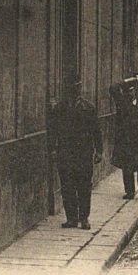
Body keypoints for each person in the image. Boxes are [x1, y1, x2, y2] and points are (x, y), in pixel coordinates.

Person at [48, 75, 102, 230]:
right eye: (72, 87)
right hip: (65, 152)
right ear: (68, 90)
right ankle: (71, 218)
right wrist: (53, 148)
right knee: (67, 186)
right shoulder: (60, 108)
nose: (75, 90)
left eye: (77, 87)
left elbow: (96, 131)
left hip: (84, 153)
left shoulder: (89, 108)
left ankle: (84, 218)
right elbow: (53, 130)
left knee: (84, 186)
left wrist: (99, 151)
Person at [110, 80, 138, 199]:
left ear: (135, 91)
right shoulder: (122, 104)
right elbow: (113, 89)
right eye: (127, 92)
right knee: (127, 168)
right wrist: (124, 82)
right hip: (127, 142)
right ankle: (130, 191)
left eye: (131, 91)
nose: (129, 94)